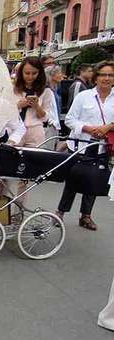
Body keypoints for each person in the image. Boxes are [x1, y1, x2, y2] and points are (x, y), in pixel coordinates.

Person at [56, 60, 114, 230]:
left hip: (103, 145)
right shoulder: (84, 96)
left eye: (110, 75)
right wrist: (88, 128)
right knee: (73, 179)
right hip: (81, 144)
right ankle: (60, 212)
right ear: (96, 77)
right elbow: (70, 119)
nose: (107, 78)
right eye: (103, 75)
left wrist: (108, 127)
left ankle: (86, 216)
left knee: (94, 180)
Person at [12, 57, 56, 147]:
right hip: (15, 130)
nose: (30, 77)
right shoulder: (13, 88)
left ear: (39, 73)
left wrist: (36, 106)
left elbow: (46, 118)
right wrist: (18, 105)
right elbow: (5, 111)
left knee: (34, 159)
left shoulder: (46, 91)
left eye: (34, 73)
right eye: (27, 73)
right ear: (21, 72)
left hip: (35, 131)